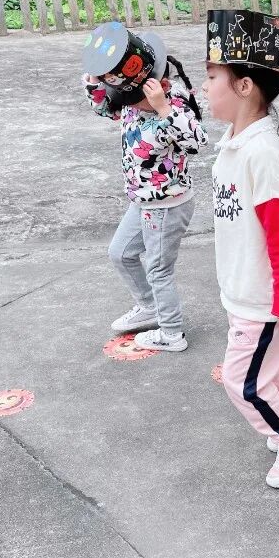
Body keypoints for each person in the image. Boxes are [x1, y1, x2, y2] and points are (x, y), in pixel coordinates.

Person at [203, 9, 279, 489]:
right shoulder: (235, 142)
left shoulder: (261, 152)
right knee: (266, 365)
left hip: (264, 297)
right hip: (243, 290)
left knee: (242, 380)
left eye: (211, 77)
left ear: (243, 86)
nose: (204, 87)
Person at [82, 23, 206, 352]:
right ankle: (150, 306)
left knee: (158, 268)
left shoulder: (172, 106)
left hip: (167, 204)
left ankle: (171, 332)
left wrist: (164, 109)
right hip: (142, 201)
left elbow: (197, 141)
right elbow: (103, 106)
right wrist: (96, 75)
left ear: (157, 88)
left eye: (131, 100)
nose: (124, 105)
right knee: (120, 253)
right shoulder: (129, 104)